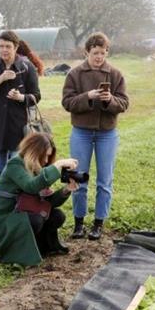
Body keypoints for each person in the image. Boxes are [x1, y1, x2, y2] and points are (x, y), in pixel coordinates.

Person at [61, 32, 129, 240]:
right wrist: (87, 97)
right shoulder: (75, 74)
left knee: (104, 180)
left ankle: (98, 224)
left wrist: (110, 100)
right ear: (87, 52)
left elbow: (124, 104)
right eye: (95, 53)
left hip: (106, 134)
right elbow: (67, 103)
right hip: (81, 132)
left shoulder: (115, 75)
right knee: (78, 176)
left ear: (107, 52)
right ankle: (79, 223)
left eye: (102, 53)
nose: (99, 57)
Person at [0, 132, 77, 266]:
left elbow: (48, 202)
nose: (47, 160)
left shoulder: (36, 168)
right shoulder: (15, 164)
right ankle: (18, 251)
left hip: (18, 213)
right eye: (46, 155)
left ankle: (41, 247)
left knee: (56, 216)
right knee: (35, 219)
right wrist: (57, 165)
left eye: (50, 157)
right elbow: (31, 187)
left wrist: (67, 189)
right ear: (36, 152)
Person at [0, 30, 41, 184]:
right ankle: (1, 205)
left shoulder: (27, 67)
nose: (4, 50)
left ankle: (15, 204)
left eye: (8, 46)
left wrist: (21, 98)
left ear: (16, 47)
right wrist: (1, 78)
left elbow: (36, 96)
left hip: (18, 126)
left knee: (15, 169)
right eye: (1, 46)